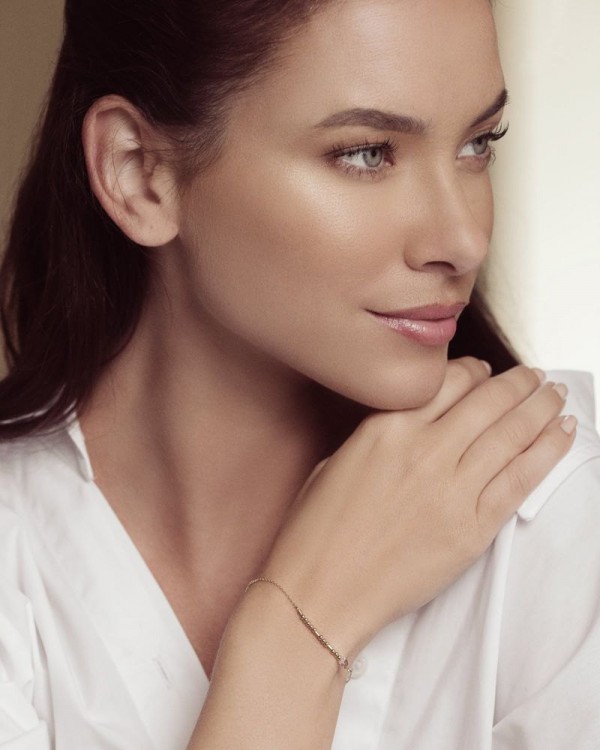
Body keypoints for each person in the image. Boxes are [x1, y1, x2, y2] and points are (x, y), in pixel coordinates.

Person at [0, 0, 599, 747]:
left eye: (479, 143)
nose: (464, 238)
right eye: (367, 153)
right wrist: (297, 633)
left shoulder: (564, 506)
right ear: (140, 173)